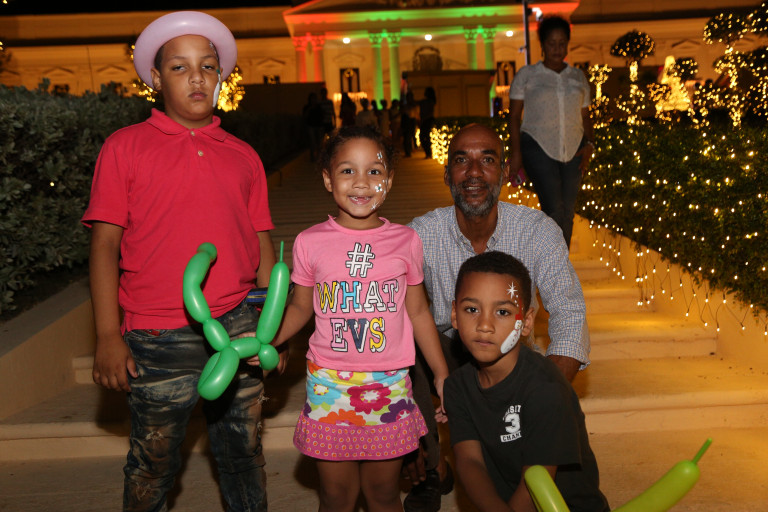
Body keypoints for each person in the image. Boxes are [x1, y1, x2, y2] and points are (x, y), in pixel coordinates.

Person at [82, 11, 277, 511]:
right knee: (154, 462)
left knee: (243, 455)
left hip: (238, 324)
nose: (196, 77)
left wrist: (269, 329)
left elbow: (261, 242)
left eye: (208, 66)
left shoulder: (243, 154)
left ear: (221, 76)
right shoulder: (124, 147)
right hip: (157, 334)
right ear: (155, 77)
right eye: (179, 67)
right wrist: (107, 335)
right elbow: (104, 246)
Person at [258, 125, 450, 512]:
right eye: (347, 171)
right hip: (329, 386)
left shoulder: (406, 241)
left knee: (382, 494)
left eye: (374, 171)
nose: (361, 182)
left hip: (389, 386)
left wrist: (442, 374)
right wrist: (268, 340)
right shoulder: (310, 242)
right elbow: (301, 307)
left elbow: (417, 311)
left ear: (389, 181)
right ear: (328, 179)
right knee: (336, 496)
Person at [404, 123, 590, 512]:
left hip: (515, 358)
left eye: (487, 160)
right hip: (450, 354)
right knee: (409, 344)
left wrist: (544, 399)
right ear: (447, 174)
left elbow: (570, 314)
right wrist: (403, 428)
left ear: (505, 172)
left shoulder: (537, 231)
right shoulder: (419, 236)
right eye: (462, 161)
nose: (474, 172)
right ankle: (432, 464)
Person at [445, 251, 610, 512]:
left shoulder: (546, 389)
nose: (484, 325)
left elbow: (537, 484)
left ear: (526, 322)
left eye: (502, 312)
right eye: (472, 309)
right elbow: (469, 462)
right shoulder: (456, 386)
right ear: (455, 314)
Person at [508, 14, 595, 248]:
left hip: (574, 148)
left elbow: (586, 115)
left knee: (567, 212)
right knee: (554, 209)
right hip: (537, 146)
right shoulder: (527, 75)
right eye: (552, 43)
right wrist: (516, 153)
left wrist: (590, 144)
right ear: (542, 45)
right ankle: (555, 265)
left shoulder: (577, 76)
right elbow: (514, 116)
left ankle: (556, 263)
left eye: (562, 43)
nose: (557, 49)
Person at [303, 91, 325, 160]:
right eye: (312, 98)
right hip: (311, 126)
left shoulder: (319, 107)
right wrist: (310, 109)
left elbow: (322, 116)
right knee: (312, 142)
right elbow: (305, 116)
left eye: (314, 98)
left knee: (319, 142)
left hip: (319, 126)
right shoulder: (307, 107)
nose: (313, 100)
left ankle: (318, 156)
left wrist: (322, 126)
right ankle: (312, 155)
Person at [417, 87, 437, 159]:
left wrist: (422, 120)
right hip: (426, 120)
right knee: (424, 137)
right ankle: (428, 153)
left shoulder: (429, 102)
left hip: (427, 120)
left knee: (424, 137)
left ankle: (428, 153)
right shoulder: (427, 101)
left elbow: (428, 112)